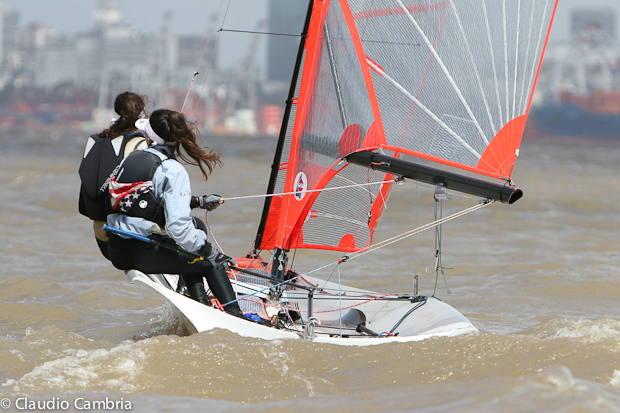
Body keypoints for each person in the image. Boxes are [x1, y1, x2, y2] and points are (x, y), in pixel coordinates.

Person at [105, 109, 243, 317]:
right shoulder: (172, 169)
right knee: (212, 263)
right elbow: (178, 228)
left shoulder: (132, 157)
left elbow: (143, 201)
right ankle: (235, 316)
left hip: (117, 248)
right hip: (140, 250)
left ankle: (200, 304)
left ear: (149, 136)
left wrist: (197, 201)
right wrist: (211, 253)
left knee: (196, 227)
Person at [78, 92, 148, 260]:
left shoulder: (97, 140)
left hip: (100, 234)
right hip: (126, 235)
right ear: (142, 115)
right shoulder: (139, 144)